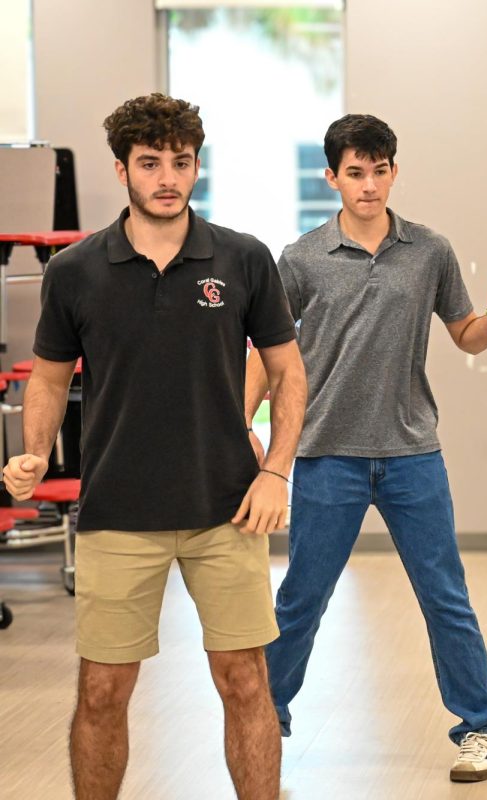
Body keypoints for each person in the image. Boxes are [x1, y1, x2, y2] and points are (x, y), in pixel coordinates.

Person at [2, 93, 306, 800]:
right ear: (122, 170)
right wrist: (35, 451)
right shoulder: (75, 271)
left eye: (180, 161)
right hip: (117, 510)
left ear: (197, 164)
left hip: (227, 506)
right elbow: (48, 379)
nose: (167, 176)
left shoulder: (243, 258)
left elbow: (289, 373)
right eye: (150, 163)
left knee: (244, 680)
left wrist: (276, 472)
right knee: (104, 690)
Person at [244, 114, 487, 782]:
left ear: (395, 171)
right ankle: (264, 719)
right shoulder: (302, 258)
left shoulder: (429, 251)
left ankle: (479, 728)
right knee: (302, 597)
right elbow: (271, 355)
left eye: (380, 170)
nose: (369, 185)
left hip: (411, 452)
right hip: (325, 454)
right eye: (356, 173)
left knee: (443, 593)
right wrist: (241, 423)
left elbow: (466, 336)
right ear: (332, 176)